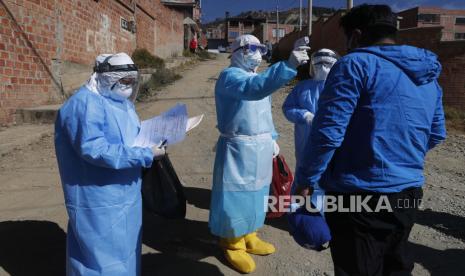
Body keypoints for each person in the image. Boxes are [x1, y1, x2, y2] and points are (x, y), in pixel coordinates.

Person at [295, 4, 446, 275]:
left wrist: (305, 180)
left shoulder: (354, 64)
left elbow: (328, 134)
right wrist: (400, 157)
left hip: (359, 198)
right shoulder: (427, 73)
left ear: (356, 35)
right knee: (395, 265)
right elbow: (436, 133)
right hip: (408, 194)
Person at [55, 53, 166, 276]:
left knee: (125, 250)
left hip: (126, 194)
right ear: (106, 77)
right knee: (97, 258)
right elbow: (94, 150)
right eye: (123, 80)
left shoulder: (120, 102)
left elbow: (128, 136)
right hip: (98, 199)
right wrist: (144, 154)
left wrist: (153, 138)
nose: (128, 86)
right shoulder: (84, 105)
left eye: (131, 81)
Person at [209, 34, 309, 273]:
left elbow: (263, 113)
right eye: (251, 48)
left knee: (259, 193)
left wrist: (272, 138)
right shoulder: (230, 77)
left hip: (261, 145)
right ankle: (232, 241)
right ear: (236, 52)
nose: (257, 53)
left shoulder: (255, 76)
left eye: (260, 48)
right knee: (236, 195)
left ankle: (250, 233)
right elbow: (254, 90)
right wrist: (288, 66)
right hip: (238, 147)